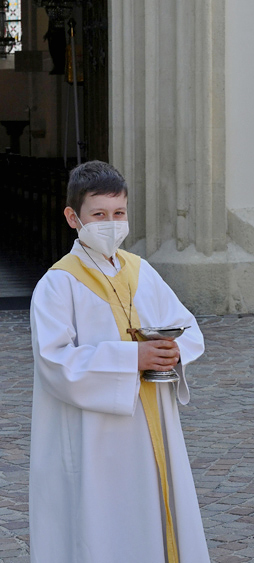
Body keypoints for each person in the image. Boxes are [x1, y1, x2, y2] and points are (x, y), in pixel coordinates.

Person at [29, 160, 210, 563]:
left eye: (119, 213)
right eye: (99, 215)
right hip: (95, 435)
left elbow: (187, 327)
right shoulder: (57, 284)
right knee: (103, 522)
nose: (111, 224)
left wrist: (174, 350)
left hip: (151, 422)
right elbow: (55, 362)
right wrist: (133, 357)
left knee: (152, 509)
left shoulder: (141, 271)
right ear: (73, 218)